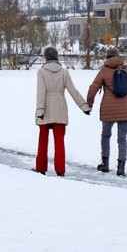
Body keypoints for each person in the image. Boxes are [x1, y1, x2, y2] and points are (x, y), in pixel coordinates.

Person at [34, 46, 88, 176]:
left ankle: (41, 168)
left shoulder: (41, 72)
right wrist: (83, 106)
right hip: (60, 108)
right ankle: (60, 170)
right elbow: (72, 91)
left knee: (43, 140)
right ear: (57, 56)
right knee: (59, 141)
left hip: (45, 108)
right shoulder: (64, 72)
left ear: (45, 57)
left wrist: (40, 110)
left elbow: (41, 93)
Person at [85, 46, 127, 176]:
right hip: (126, 109)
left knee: (106, 135)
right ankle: (121, 167)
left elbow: (93, 88)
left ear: (107, 57)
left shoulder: (104, 70)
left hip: (109, 109)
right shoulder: (125, 68)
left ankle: (105, 164)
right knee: (122, 138)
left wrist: (89, 104)